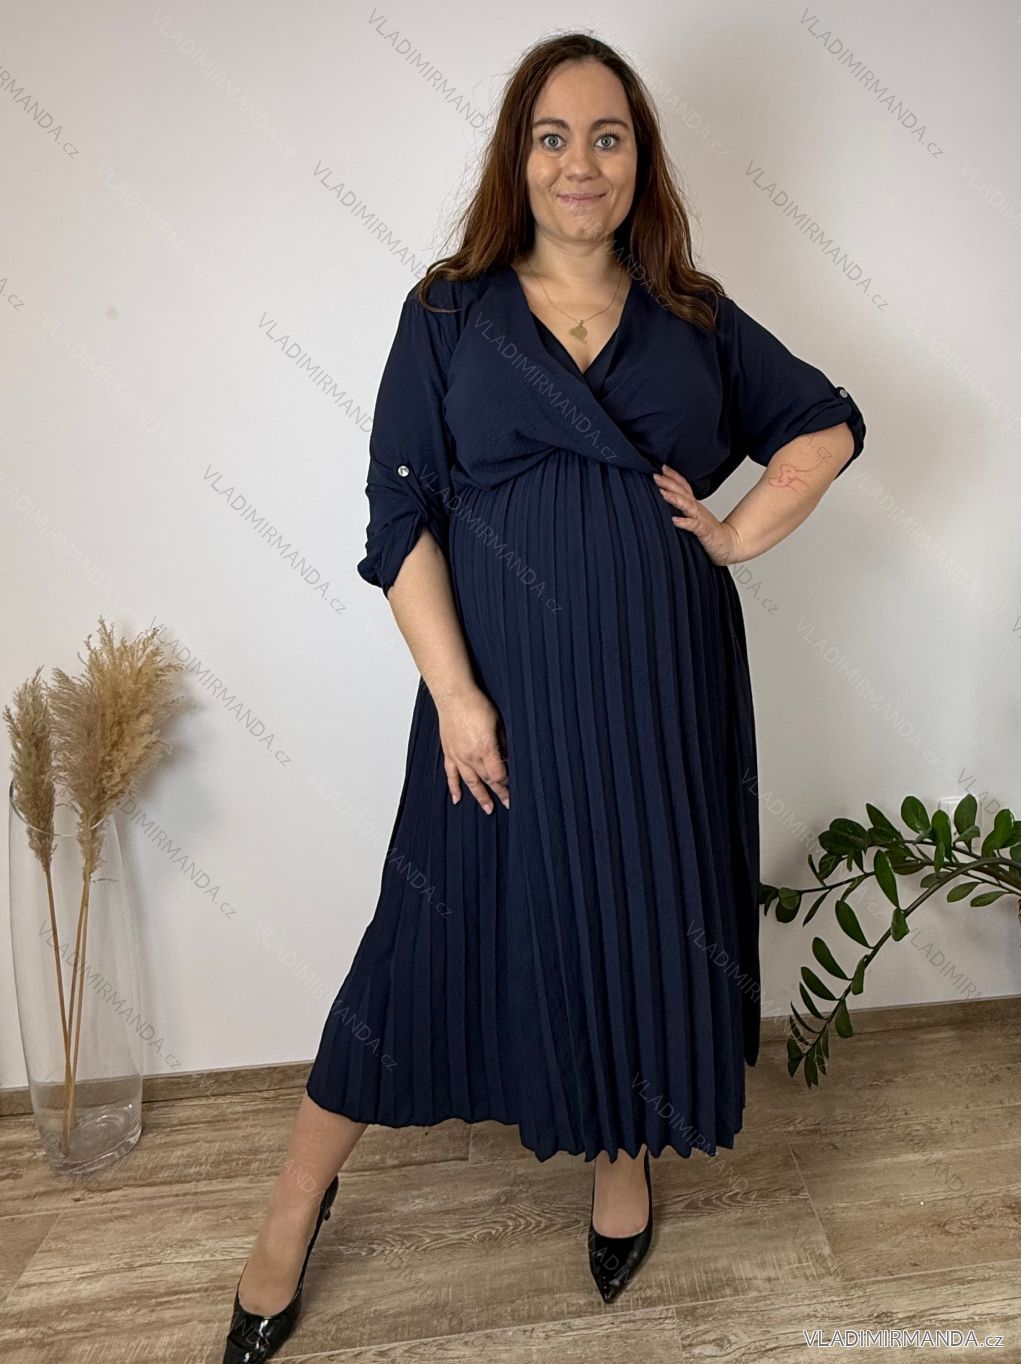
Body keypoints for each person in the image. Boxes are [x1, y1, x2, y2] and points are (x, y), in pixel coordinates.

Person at [221, 30, 866, 1362]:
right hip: (496, 704)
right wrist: (457, 695)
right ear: (518, 159)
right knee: (419, 943)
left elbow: (828, 421)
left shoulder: (692, 313)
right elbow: (399, 518)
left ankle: (621, 1164)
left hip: (661, 696)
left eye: (608, 136)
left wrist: (735, 535)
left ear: (641, 159)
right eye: (554, 136)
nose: (582, 162)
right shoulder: (449, 312)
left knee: (637, 921)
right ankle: (292, 1202)